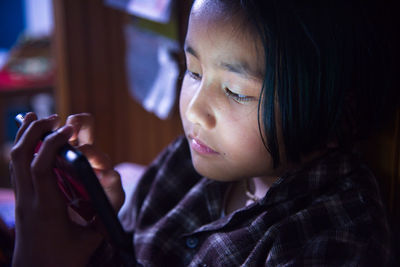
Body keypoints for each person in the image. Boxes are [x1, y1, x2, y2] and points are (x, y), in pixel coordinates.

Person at [9, 0, 397, 266]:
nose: (194, 109)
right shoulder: (189, 160)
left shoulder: (331, 242)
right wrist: (90, 230)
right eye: (193, 71)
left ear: (335, 114)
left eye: (236, 92)